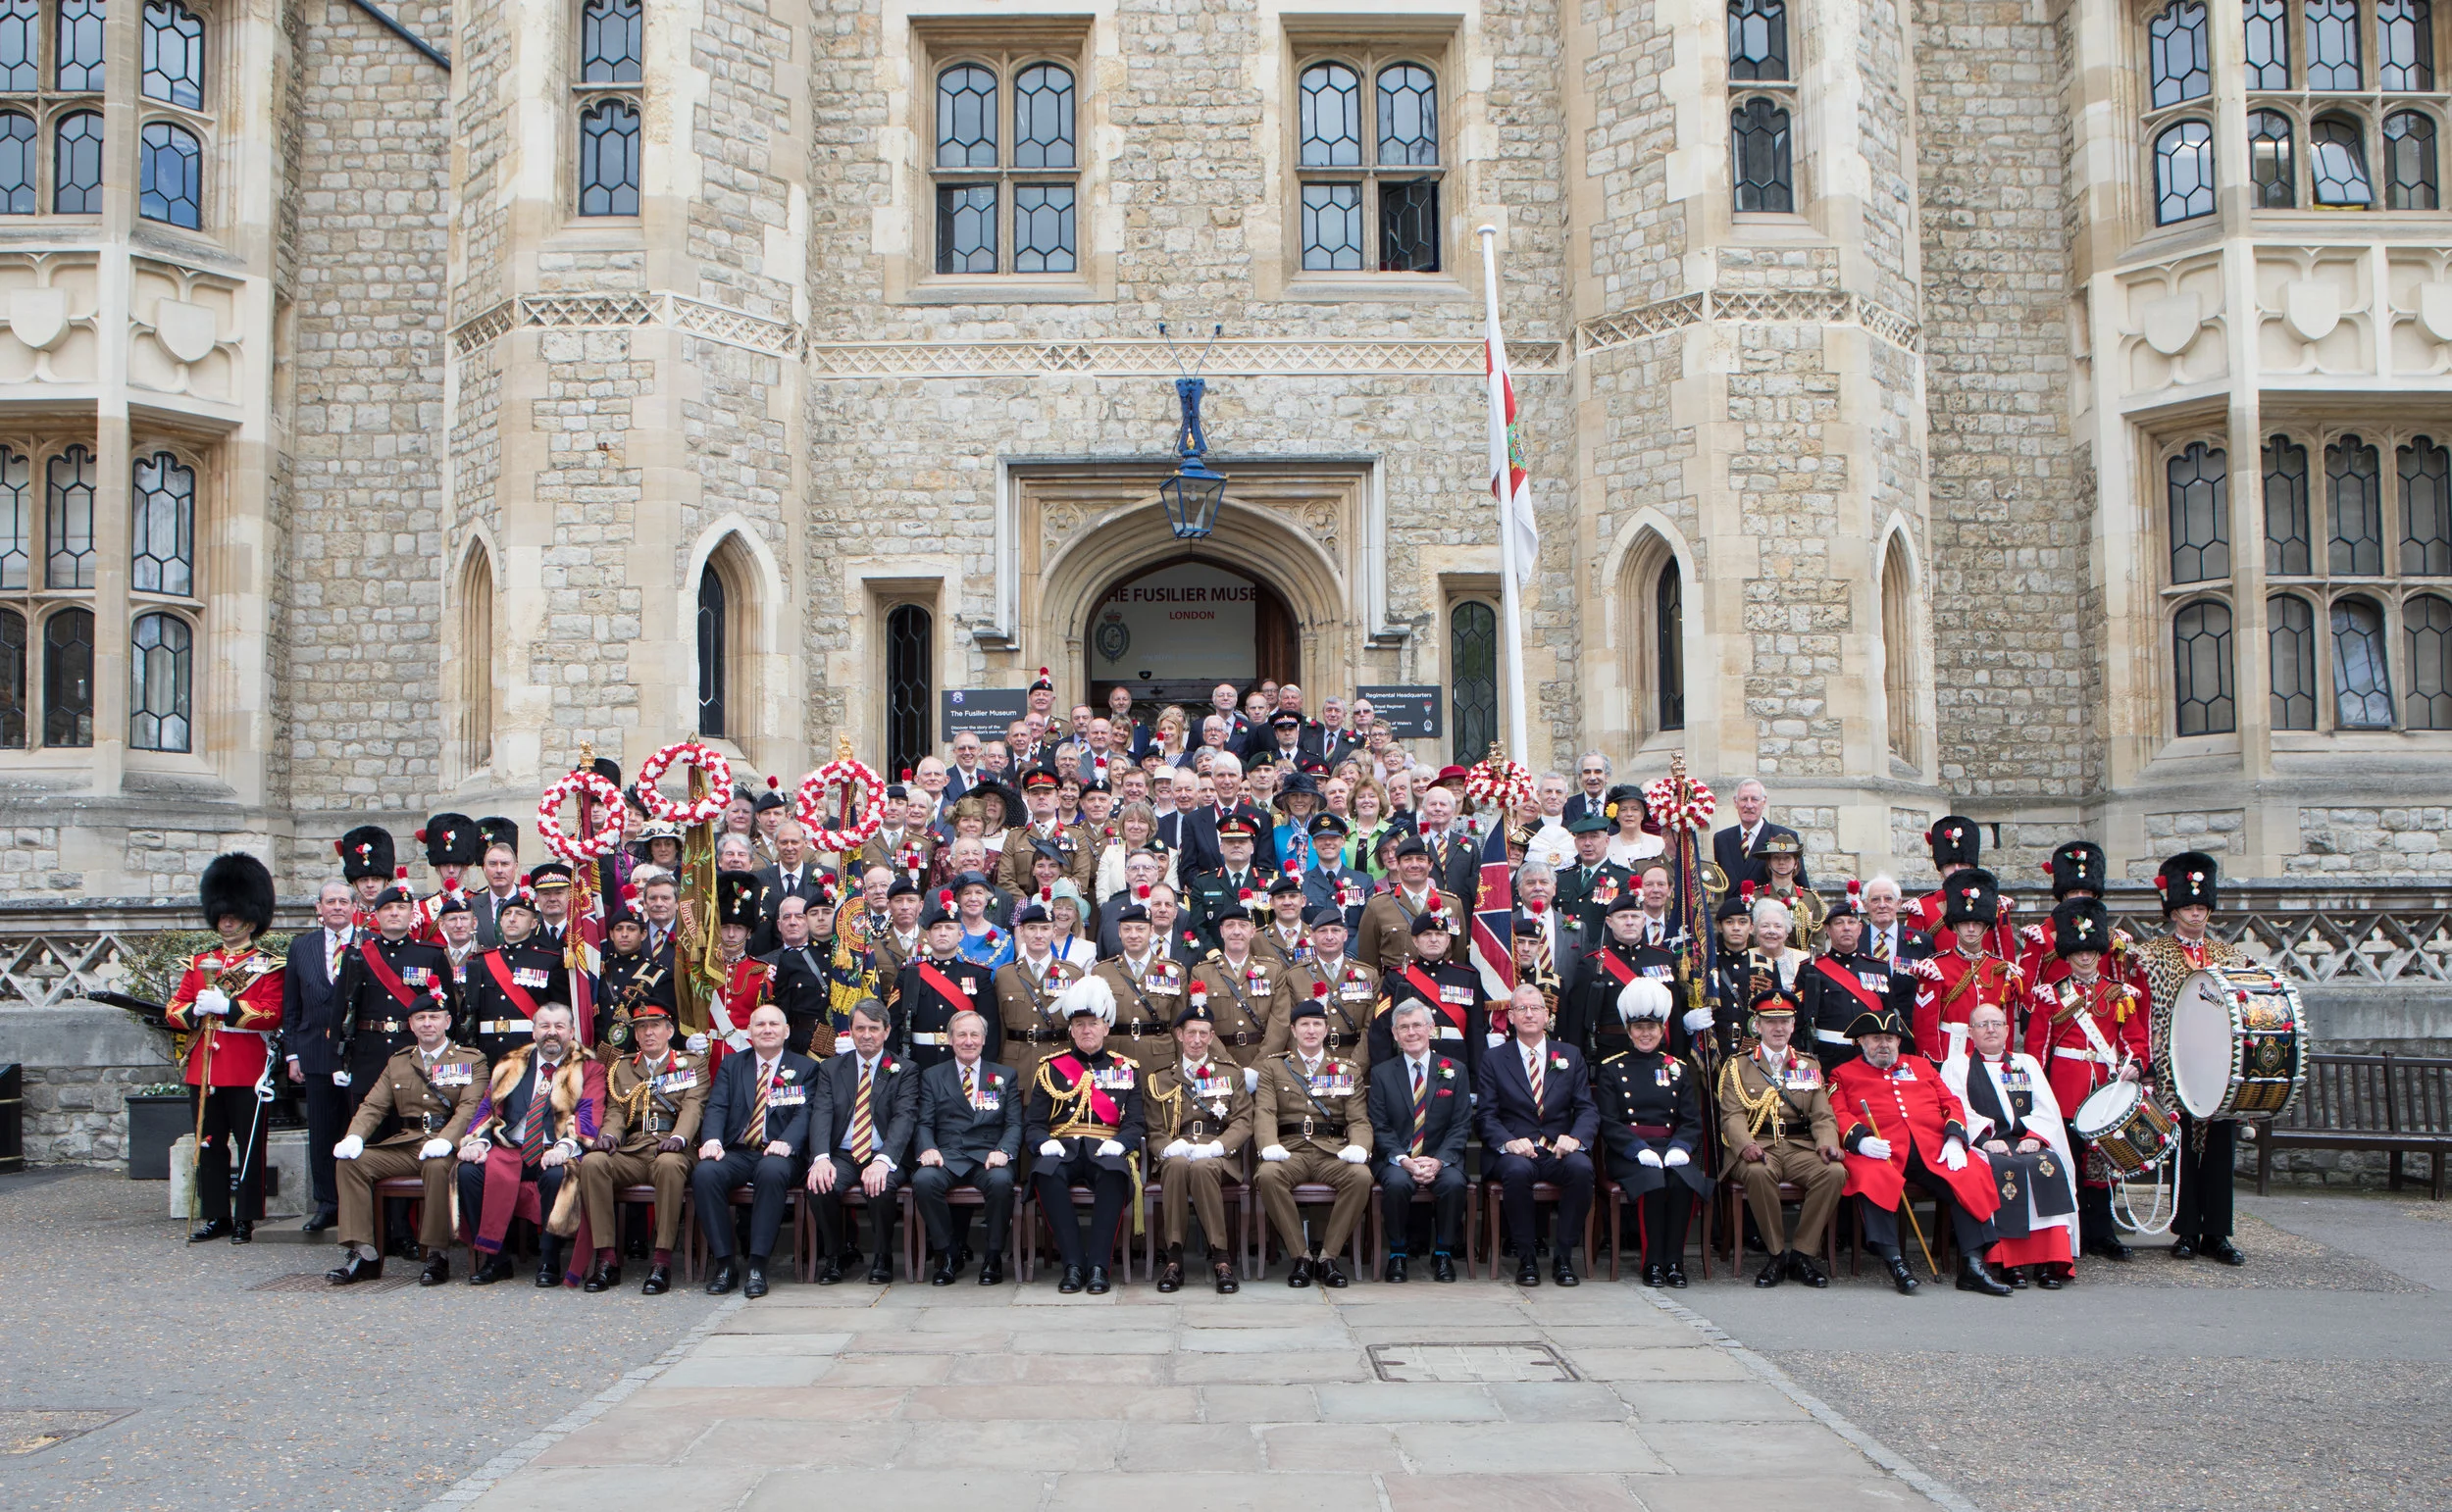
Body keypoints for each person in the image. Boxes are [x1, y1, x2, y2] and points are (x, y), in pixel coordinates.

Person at [1830, 1005, 2014, 1296]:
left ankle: (1973, 1266)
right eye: (1876, 1038)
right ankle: (1895, 1261)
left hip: (1931, 1148)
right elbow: (1837, 1113)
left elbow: (1951, 1103)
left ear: (1899, 1041)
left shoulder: (1921, 1066)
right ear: (1861, 1042)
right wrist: (1860, 1140)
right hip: (1881, 1150)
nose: (1883, 1044)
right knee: (1871, 1176)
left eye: (1889, 1038)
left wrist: (1955, 1138)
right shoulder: (1843, 1074)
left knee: (1969, 1173)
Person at [2133, 851, 2249, 1266]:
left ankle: (2217, 1233)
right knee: (2183, 1150)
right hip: (2175, 1065)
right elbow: (2145, 1015)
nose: (2195, 914)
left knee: (2219, 1150)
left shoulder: (2232, 958)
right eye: (2187, 907)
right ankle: (2185, 1231)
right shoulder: (2150, 957)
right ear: (2174, 910)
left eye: (2201, 907)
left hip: (2221, 1067)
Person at [164, 854, 285, 1244]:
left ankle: (247, 1216)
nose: (227, 921)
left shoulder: (268, 965)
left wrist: (228, 1008)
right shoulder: (199, 963)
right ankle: (216, 1214)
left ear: (251, 917)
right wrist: (193, 1011)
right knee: (209, 1143)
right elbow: (173, 1009)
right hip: (204, 1068)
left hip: (246, 1066)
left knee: (250, 1145)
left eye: (234, 915)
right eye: (222, 915)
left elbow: (271, 1014)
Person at [325, 995, 485, 1285]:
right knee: (351, 1163)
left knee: (437, 1166)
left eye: (434, 1017)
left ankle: (437, 1254)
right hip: (407, 1143)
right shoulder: (399, 1062)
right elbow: (373, 1106)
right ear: (410, 1025)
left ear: (447, 1022)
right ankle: (364, 1254)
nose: (427, 1024)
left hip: (446, 1144)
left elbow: (470, 1108)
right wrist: (354, 1136)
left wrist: (448, 1140)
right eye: (420, 1018)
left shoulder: (471, 1060)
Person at [2025, 896, 2147, 1261]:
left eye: (2091, 951)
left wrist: (2135, 1065)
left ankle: (2102, 1232)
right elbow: (2037, 1050)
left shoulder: (2118, 993)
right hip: (2064, 1087)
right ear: (2068, 953)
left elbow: (2135, 1041)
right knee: (2068, 1162)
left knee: (2102, 1165)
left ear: (2099, 951)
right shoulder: (2051, 995)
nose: (2084, 957)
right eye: (2078, 951)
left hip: (2105, 1087)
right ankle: (2067, 1234)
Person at [458, 1002, 597, 1286]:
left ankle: (549, 1259)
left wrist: (564, 1148)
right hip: (512, 1148)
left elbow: (589, 1114)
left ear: (571, 1032)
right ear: (533, 1030)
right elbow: (488, 1107)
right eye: (545, 1026)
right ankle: (495, 1259)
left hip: (557, 1149)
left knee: (557, 1175)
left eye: (559, 1026)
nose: (551, 1033)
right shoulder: (510, 1063)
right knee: (467, 1171)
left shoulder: (589, 1068)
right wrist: (477, 1141)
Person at [572, 999, 705, 1293]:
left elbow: (693, 1107)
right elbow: (617, 1111)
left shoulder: (691, 1063)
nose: (648, 1033)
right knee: (593, 1163)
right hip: (634, 1148)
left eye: (655, 1026)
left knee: (669, 1165)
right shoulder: (622, 1067)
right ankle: (607, 1259)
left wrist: (679, 1138)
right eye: (641, 1027)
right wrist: (609, 1135)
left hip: (673, 1147)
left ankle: (661, 1261)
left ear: (670, 1030)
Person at [1716, 990, 1847, 1287]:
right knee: (1758, 1173)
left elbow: (1822, 1115)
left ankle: (1802, 1254)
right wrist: (1745, 1145)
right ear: (1757, 1025)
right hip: (1757, 1146)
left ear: (1793, 1025)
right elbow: (1732, 1115)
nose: (1778, 1028)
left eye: (1785, 1021)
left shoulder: (1809, 1065)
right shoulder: (1738, 1065)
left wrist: (1828, 1144)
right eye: (1770, 1021)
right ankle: (1776, 1255)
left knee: (1834, 1172)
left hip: (1800, 1147)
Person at [1026, 977, 1145, 1293]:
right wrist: (1043, 1142)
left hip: (1106, 1146)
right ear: (1071, 1030)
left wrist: (1120, 1143)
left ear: (1106, 1028)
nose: (1086, 1030)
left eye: (1093, 1023)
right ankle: (1073, 1265)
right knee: (1044, 1173)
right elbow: (1034, 1123)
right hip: (1063, 1148)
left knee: (1114, 1174)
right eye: (1079, 1024)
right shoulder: (1051, 1068)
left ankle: (1098, 1268)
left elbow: (1135, 1123)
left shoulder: (1126, 1068)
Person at [1946, 1003, 2078, 1288]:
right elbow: (1957, 1109)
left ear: (2008, 1030)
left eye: (1996, 1023)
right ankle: (2010, 1264)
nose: (1990, 1029)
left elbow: (2048, 1109)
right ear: (1970, 1032)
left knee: (2047, 1164)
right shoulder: (1957, 1065)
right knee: (2004, 1169)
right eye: (1982, 1025)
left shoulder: (2026, 1063)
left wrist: (2035, 1136)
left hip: (2027, 1139)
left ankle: (2048, 1261)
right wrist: (1985, 1140)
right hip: (1987, 1143)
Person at [692, 1004, 820, 1297]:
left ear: (786, 1031)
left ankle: (757, 1266)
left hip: (782, 1154)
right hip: (738, 1151)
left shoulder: (806, 1068)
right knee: (706, 1173)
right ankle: (725, 1264)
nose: (767, 1030)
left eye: (774, 1024)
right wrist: (711, 1139)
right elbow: (717, 1106)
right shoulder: (732, 1065)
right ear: (749, 1031)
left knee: (771, 1170)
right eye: (760, 1024)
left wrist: (787, 1141)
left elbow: (807, 1113)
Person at [1477, 983, 1599, 1286]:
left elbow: (1586, 1109)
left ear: (1547, 1016)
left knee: (1582, 1169)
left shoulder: (1570, 1055)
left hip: (1557, 1148)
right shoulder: (1494, 1059)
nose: (1529, 1014)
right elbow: (1486, 1115)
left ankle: (1564, 1257)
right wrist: (1507, 1141)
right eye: (1522, 1009)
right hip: (1517, 1149)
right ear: (1511, 1017)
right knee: (1517, 1171)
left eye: (1536, 1008)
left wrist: (1577, 1138)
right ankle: (1527, 1256)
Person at [1591, 980, 1710, 1286]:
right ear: (1629, 1031)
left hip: (1670, 1148)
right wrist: (1637, 1149)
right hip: (1630, 1152)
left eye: (1652, 1028)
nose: (1646, 1034)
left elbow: (1690, 1119)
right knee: (1654, 1183)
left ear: (1662, 1030)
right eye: (1640, 1028)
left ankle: (1674, 1262)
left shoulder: (1678, 1068)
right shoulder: (1611, 1069)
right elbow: (1608, 1120)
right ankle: (1652, 1263)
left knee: (1682, 1182)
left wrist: (1681, 1147)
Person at [1253, 995, 1373, 1286]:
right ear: (1293, 1030)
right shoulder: (1273, 1068)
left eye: (1316, 1024)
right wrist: (1269, 1144)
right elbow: (1266, 1111)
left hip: (1331, 1153)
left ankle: (1328, 1257)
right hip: (1290, 1151)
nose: (1310, 1030)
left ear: (1326, 1029)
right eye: (1304, 1024)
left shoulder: (1348, 1070)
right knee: (1267, 1176)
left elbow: (1358, 1119)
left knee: (1361, 1177)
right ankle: (1301, 1257)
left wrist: (1359, 1146)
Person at [804, 999, 917, 1285]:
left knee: (880, 1185)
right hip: (843, 1154)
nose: (867, 1035)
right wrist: (820, 1159)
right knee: (820, 1184)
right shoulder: (831, 1068)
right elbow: (821, 1114)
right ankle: (836, 1253)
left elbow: (904, 1119)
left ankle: (882, 1256)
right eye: (860, 1028)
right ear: (851, 1031)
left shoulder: (905, 1069)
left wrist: (883, 1160)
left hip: (884, 1153)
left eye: (874, 1028)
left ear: (887, 1031)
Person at [1144, 1002, 1252, 1293]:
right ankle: (1174, 1258)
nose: (1197, 1040)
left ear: (1212, 1036)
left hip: (1217, 1154)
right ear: (1179, 1035)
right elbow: (1154, 1129)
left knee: (1203, 1167)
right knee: (1178, 1164)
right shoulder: (1160, 1078)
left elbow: (1243, 1121)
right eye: (1191, 1033)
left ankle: (1221, 1258)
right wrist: (1167, 1148)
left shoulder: (1231, 1074)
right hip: (1176, 1150)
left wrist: (1218, 1146)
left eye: (1204, 1034)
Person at [911, 1010, 1022, 1285]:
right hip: (948, 1155)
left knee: (1000, 1182)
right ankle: (948, 1253)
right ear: (950, 1040)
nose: (968, 1041)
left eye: (974, 1034)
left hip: (988, 1155)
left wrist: (1004, 1151)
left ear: (984, 1039)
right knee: (923, 1180)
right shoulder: (933, 1076)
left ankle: (993, 1256)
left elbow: (1014, 1125)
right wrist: (927, 1148)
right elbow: (923, 1122)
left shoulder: (1005, 1076)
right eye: (961, 1035)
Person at [1366, 1000, 1470, 1282]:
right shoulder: (1382, 1073)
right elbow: (1380, 1125)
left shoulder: (1455, 1070)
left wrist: (1438, 1161)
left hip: (1441, 1156)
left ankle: (1444, 1253)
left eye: (1416, 1025)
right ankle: (1398, 1253)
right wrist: (1404, 1160)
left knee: (1453, 1183)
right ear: (1395, 1034)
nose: (1411, 1033)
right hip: (1398, 1157)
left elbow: (1461, 1124)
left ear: (1430, 1029)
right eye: (1404, 1027)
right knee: (1398, 1183)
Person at [280, 878, 359, 1234]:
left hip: (359, 1053)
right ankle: (328, 1203)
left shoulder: (369, 943)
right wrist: (292, 1054)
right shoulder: (301, 947)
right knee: (323, 1131)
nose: (338, 907)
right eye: (331, 902)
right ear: (319, 908)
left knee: (359, 1129)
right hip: (314, 1052)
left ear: (354, 907)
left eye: (344, 901)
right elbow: (290, 1007)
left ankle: (362, 1205)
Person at [333, 876, 457, 1102]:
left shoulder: (431, 955)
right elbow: (339, 1009)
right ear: (377, 915)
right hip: (368, 1053)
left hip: (414, 1050)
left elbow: (448, 1012)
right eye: (387, 908)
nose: (394, 913)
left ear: (411, 914)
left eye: (401, 907)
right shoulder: (357, 955)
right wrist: (335, 1062)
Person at [1909, 868, 2023, 1061]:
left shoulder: (2001, 969)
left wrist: (2006, 1057)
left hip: (1990, 1054)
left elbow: (2006, 1023)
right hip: (1950, 1053)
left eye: (1977, 923)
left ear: (1986, 926)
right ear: (1954, 926)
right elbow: (1925, 1027)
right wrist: (1934, 1063)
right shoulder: (1936, 968)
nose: (1970, 929)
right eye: (1964, 923)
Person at [463, 884, 570, 1066]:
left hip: (531, 1050)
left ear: (533, 923)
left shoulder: (549, 961)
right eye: (507, 914)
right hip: (489, 1050)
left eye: (520, 914)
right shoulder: (480, 962)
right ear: (500, 922)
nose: (512, 919)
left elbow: (560, 1012)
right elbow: (470, 1013)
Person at [895, 891, 1000, 1073]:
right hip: (919, 1062)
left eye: (949, 928)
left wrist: (984, 1070)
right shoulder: (910, 974)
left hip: (963, 1062)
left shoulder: (978, 975)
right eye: (937, 928)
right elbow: (895, 1023)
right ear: (927, 935)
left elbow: (989, 1027)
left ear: (960, 935)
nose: (943, 933)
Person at [1186, 897, 1286, 1076]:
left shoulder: (1273, 970)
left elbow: (1280, 1023)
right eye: (1230, 926)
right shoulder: (1202, 973)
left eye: (1243, 925)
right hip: (1218, 1065)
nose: (1236, 932)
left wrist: (1258, 1068)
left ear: (1253, 931)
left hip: (1264, 1066)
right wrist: (1228, 1066)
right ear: (1221, 932)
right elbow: (1200, 1024)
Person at [992, 892, 1086, 1076]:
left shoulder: (1073, 973)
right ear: (1021, 932)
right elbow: (999, 1027)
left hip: (1060, 1062)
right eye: (1031, 928)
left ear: (1054, 931)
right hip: (1016, 1064)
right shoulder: (1005, 974)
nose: (1038, 935)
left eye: (1044, 929)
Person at [1089, 891, 1185, 1071]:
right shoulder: (1102, 971)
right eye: (1127, 929)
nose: (1133, 935)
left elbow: (1179, 1024)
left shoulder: (1174, 972)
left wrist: (1180, 1066)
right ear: (1119, 932)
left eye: (1140, 929)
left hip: (1159, 1059)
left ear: (1152, 931)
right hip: (1116, 1059)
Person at [1355, 835, 1464, 976]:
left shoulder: (1452, 904)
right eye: (1407, 859)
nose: (1414, 864)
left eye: (1420, 859)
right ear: (1398, 865)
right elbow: (1369, 964)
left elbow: (1458, 957)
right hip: (1397, 989)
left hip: (1440, 988)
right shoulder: (1377, 906)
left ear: (1430, 865)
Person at [1712, 779, 1806, 890]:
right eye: (1744, 799)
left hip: (1768, 905)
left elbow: (1801, 886)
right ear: (1735, 802)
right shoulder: (1722, 839)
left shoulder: (1784, 836)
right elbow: (1720, 885)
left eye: (1754, 799)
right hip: (1732, 907)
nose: (1749, 805)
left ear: (1764, 802)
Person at [410, 813, 484, 941]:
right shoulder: (421, 909)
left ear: (465, 867)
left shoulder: (480, 902)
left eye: (456, 865)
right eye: (445, 865)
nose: (451, 870)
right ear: (437, 868)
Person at [1860, 876, 1934, 965]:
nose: (1882, 905)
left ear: (1898, 903)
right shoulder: (1855, 940)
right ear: (1865, 905)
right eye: (1875, 900)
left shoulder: (1923, 941)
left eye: (1888, 899)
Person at [1561, 752, 1612, 826]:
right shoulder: (1567, 806)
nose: (1592, 777)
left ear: (1606, 777)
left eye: (1597, 772)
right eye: (1587, 772)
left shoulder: (1618, 805)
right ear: (1580, 777)